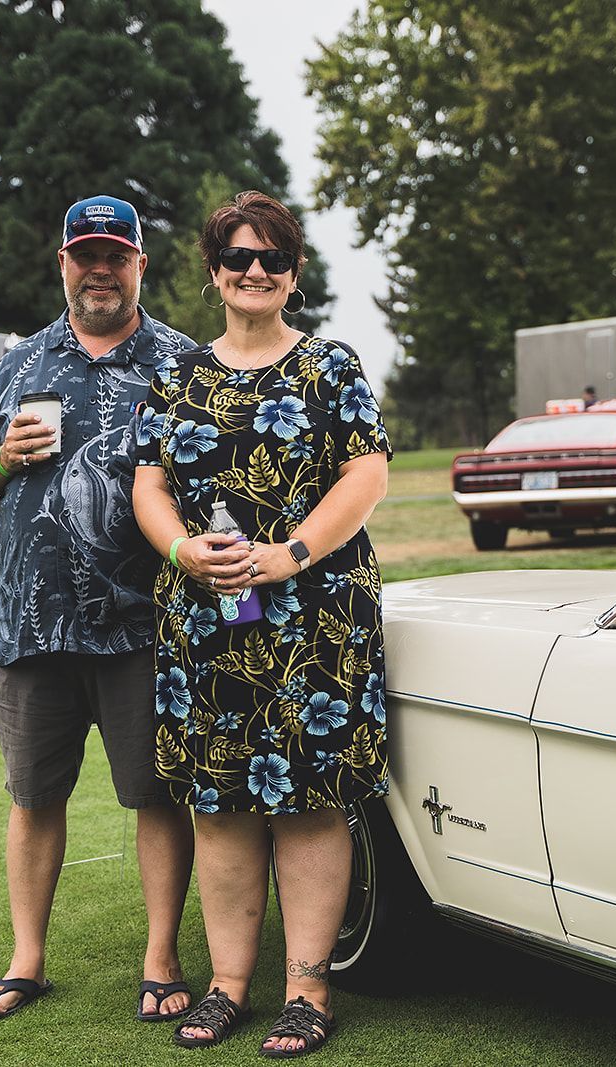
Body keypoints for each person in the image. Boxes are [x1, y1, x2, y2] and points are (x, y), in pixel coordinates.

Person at [131, 190, 391, 1058]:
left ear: (294, 274)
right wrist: (178, 553)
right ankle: (226, 985)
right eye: (238, 257)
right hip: (206, 620)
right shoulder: (177, 373)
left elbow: (367, 474)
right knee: (219, 802)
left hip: (313, 613)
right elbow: (149, 484)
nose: (254, 271)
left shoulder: (332, 366)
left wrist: (292, 552)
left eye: (271, 258)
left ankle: (308, 991)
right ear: (213, 272)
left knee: (310, 802)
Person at [0, 194, 198, 1024]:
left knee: (157, 796)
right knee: (33, 798)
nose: (100, 268)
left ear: (139, 265)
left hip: (144, 627)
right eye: (85, 253)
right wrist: (0, 455)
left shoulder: (184, 363)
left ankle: (160, 958)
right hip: (33, 627)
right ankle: (27, 961)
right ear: (62, 262)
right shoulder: (16, 366)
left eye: (115, 254)